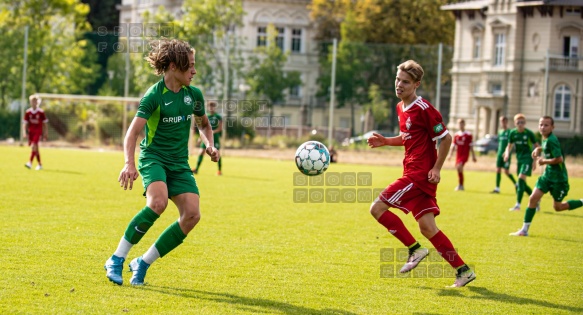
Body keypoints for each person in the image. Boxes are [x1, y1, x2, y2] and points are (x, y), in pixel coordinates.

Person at [104, 38, 219, 286]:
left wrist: (209, 144)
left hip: (179, 162)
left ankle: (142, 262)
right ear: (173, 67)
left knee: (192, 215)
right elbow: (132, 133)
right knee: (158, 202)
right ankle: (116, 258)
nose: (194, 71)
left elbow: (204, 125)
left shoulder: (193, 95)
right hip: (153, 157)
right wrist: (128, 163)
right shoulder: (154, 96)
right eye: (189, 66)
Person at [367, 60, 475, 288]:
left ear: (416, 84)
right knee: (428, 228)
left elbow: (446, 138)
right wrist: (386, 141)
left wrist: (436, 168)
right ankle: (463, 271)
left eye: (405, 82)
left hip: (418, 175)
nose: (399, 85)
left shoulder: (424, 109)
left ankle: (415, 250)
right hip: (414, 174)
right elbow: (407, 138)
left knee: (376, 208)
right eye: (397, 79)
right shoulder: (401, 108)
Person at [510, 116, 582, 236]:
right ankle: (524, 230)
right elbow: (546, 148)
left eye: (546, 125)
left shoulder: (552, 140)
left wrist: (544, 161)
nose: (543, 127)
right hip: (547, 176)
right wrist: (539, 149)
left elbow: (559, 159)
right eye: (541, 124)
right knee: (533, 198)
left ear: (552, 127)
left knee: (558, 207)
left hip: (559, 179)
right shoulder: (546, 138)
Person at [504, 113, 539, 211]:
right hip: (519, 160)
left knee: (520, 179)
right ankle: (536, 200)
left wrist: (535, 160)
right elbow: (509, 146)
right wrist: (506, 154)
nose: (520, 124)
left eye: (522, 122)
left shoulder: (529, 133)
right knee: (522, 183)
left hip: (528, 159)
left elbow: (537, 147)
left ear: (525, 123)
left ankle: (518, 205)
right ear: (515, 123)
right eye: (518, 122)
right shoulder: (513, 133)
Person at [192, 101, 223, 175]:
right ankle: (196, 169)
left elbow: (220, 128)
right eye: (210, 106)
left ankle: (219, 170)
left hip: (215, 137)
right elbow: (203, 127)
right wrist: (200, 138)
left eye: (212, 106)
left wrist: (212, 132)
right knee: (201, 152)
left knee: (216, 153)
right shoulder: (206, 116)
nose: (211, 108)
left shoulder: (218, 117)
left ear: (215, 107)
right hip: (206, 137)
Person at [447, 118, 476, 191]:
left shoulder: (468, 135)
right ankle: (460, 185)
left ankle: (461, 185)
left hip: (465, 155)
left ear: (464, 124)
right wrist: (450, 155)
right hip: (458, 155)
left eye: (462, 123)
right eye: (459, 123)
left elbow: (471, 146)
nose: (460, 125)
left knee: (459, 167)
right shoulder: (456, 135)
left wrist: (473, 156)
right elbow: (453, 146)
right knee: (458, 169)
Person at [491, 116, 517, 193]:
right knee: (498, 170)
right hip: (499, 154)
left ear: (506, 122)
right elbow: (500, 143)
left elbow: (511, 144)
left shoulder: (510, 132)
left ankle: (516, 184)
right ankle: (497, 188)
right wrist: (498, 152)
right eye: (501, 121)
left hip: (506, 155)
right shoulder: (500, 132)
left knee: (506, 171)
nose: (502, 123)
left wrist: (507, 152)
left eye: (504, 121)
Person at [23, 95, 48, 170]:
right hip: (31, 132)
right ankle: (40, 164)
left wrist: (46, 132)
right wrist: (24, 132)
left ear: (37, 102)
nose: (34, 102)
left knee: (34, 146)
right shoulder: (28, 112)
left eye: (35, 101)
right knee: (35, 148)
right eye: (32, 101)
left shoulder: (41, 112)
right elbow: (25, 123)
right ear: (30, 102)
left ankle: (30, 163)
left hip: (38, 131)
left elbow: (45, 123)